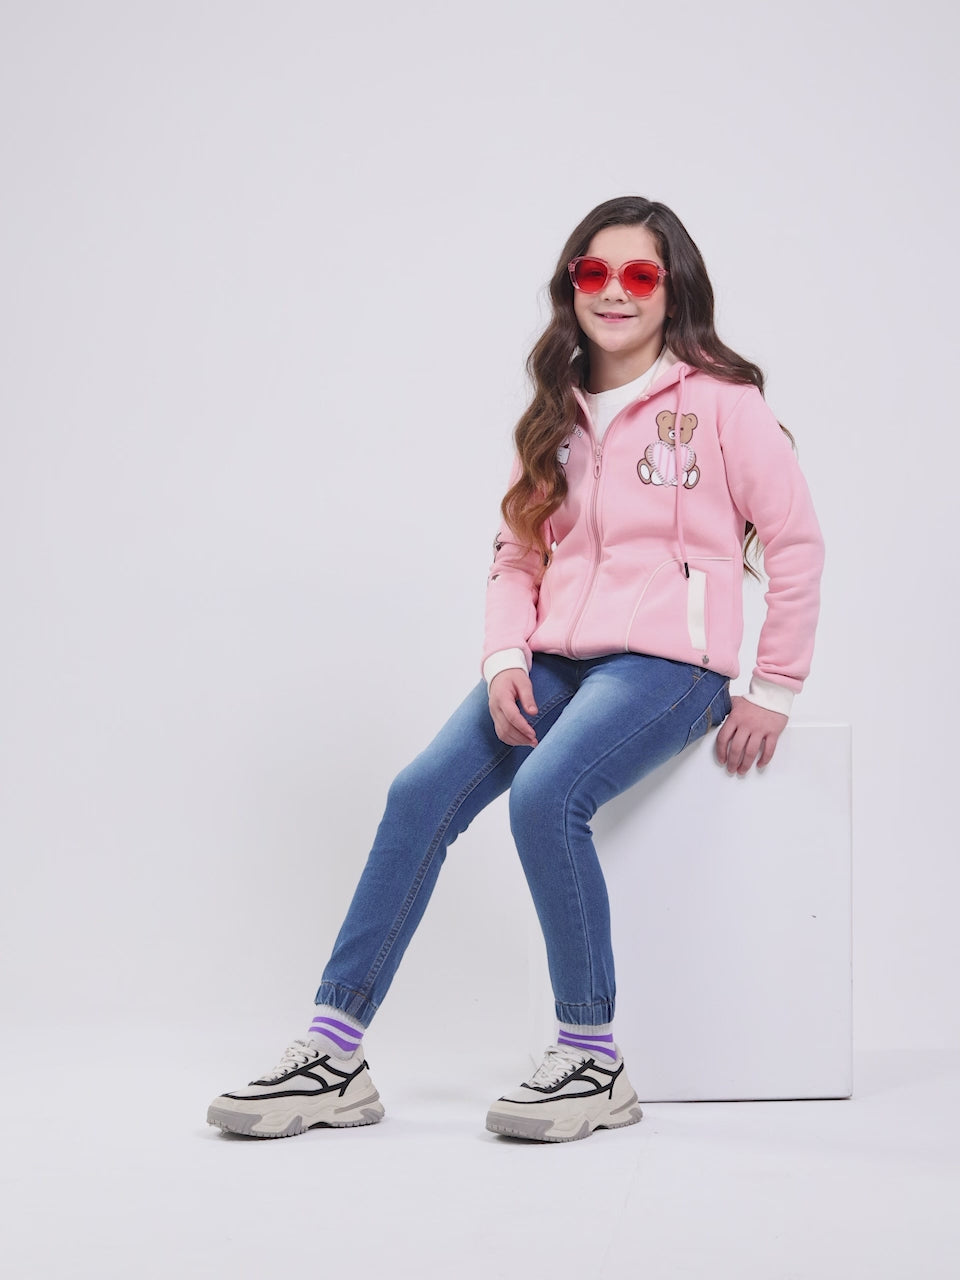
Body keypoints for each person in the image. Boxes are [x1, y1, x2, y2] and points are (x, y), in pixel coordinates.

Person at [206, 195, 824, 1143]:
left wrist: (773, 688)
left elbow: (796, 542)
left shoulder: (722, 407)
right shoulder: (555, 413)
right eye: (594, 272)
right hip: (553, 660)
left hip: (670, 669)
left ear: (674, 290)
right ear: (571, 285)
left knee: (546, 796)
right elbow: (517, 555)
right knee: (419, 795)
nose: (614, 291)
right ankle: (334, 1054)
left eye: (640, 275)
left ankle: (592, 1058)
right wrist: (504, 660)